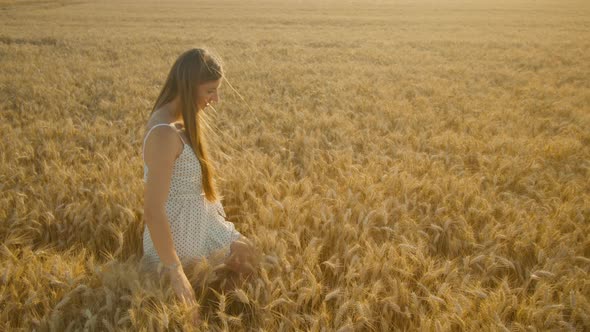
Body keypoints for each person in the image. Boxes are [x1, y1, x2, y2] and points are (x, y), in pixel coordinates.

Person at [140, 48, 259, 324]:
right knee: (189, 309)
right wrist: (175, 271)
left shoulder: (178, 122)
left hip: (202, 223)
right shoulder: (164, 134)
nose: (216, 99)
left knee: (248, 253)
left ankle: (225, 315)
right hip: (180, 235)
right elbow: (153, 210)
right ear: (188, 86)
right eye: (210, 91)